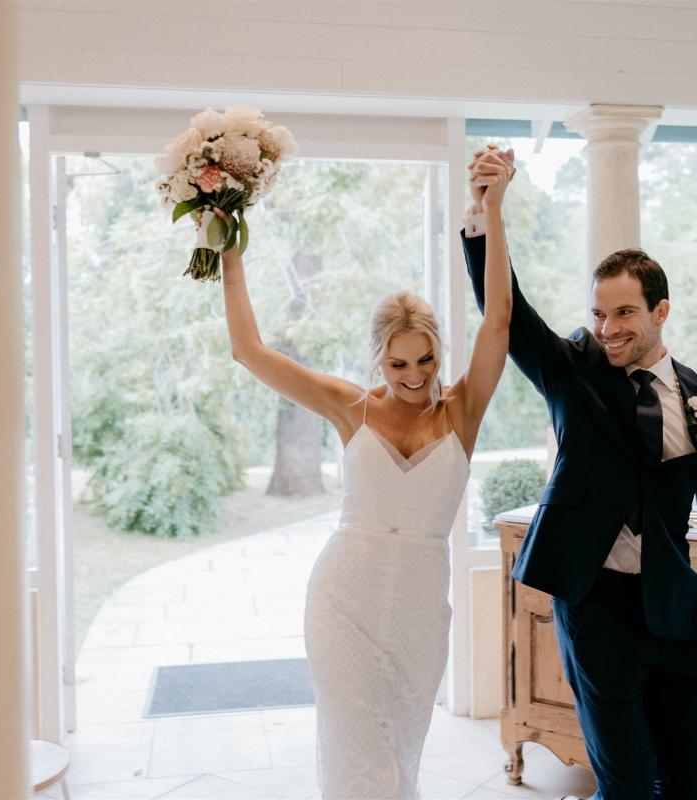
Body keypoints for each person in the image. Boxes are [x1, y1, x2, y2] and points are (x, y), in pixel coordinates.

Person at [464, 146, 697, 800]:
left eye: (624, 313)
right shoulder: (573, 371)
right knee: (626, 786)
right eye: (600, 313)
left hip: (675, 615)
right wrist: (488, 214)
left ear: (660, 311)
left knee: (693, 786)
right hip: (596, 607)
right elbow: (507, 317)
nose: (607, 327)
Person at [217, 150, 516, 799]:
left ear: (439, 351)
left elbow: (499, 320)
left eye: (425, 360)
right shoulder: (349, 407)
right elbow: (249, 351)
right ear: (377, 360)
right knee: (356, 753)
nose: (413, 377)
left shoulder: (462, 411)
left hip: (418, 608)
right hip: (343, 598)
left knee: (399, 755)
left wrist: (494, 212)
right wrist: (227, 246)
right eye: (397, 364)